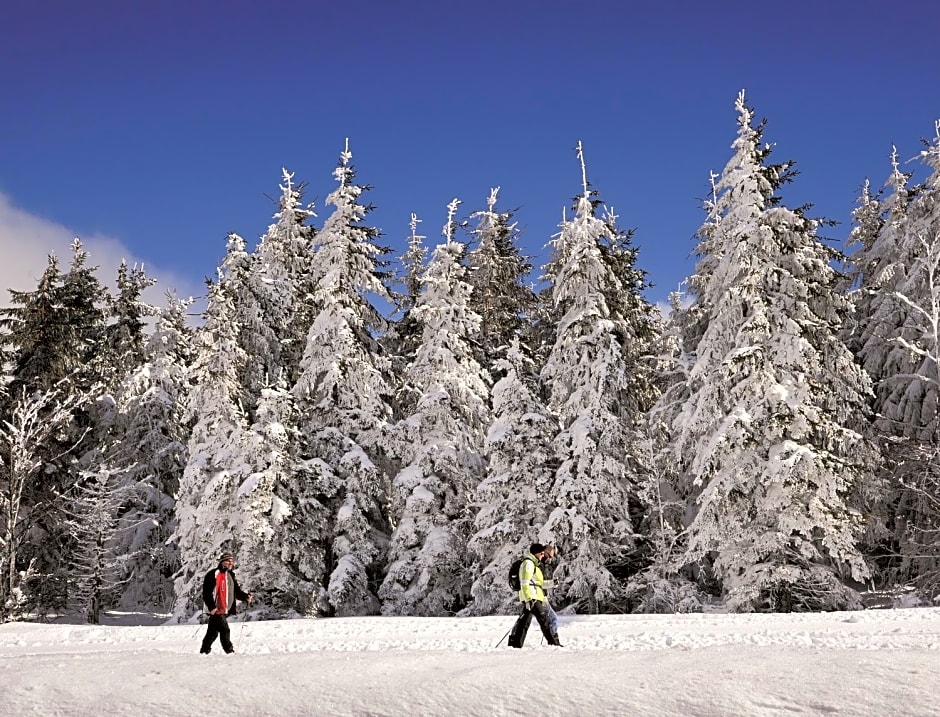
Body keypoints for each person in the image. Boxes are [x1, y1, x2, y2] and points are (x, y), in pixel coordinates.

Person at [507, 543, 562, 648]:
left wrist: (551, 583)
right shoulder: (528, 563)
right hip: (532, 597)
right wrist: (528, 599)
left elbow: (538, 583)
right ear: (537, 553)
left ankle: (515, 644)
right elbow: (525, 582)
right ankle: (554, 644)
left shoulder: (534, 564)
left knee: (525, 622)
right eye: (542, 553)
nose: (543, 556)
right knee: (544, 619)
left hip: (535, 596)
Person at [200, 552, 253, 654]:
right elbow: (206, 592)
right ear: (222, 562)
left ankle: (204, 651)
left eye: (232, 561)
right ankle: (229, 652)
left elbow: (236, 592)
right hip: (216, 609)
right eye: (228, 561)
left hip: (224, 609)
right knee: (225, 629)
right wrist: (212, 607)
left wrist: (246, 597)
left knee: (212, 633)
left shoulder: (231, 575)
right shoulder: (213, 574)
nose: (230, 563)